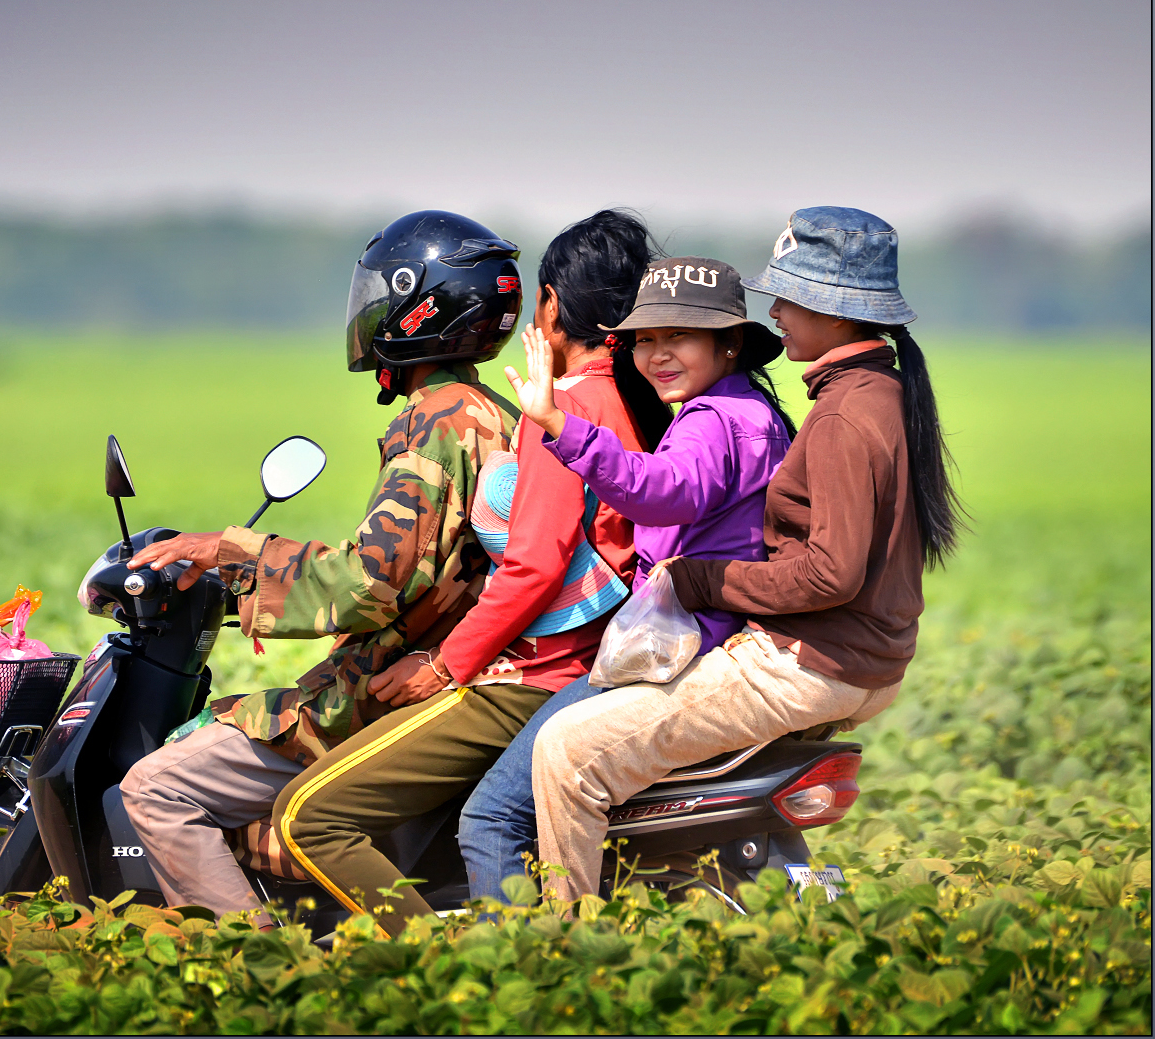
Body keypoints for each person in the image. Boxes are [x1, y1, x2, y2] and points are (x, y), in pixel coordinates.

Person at [530, 207, 963, 904]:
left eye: (790, 298)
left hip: (808, 661)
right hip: (856, 660)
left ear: (835, 308)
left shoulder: (847, 414)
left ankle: (567, 949)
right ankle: (799, 897)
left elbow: (833, 571)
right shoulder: (870, 395)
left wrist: (702, 581)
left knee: (564, 751)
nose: (780, 311)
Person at [117, 210, 521, 924]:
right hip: (438, 671)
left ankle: (247, 968)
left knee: (158, 786)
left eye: (378, 296)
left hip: (388, 689)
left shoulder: (438, 423)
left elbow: (371, 585)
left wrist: (235, 554)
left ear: (415, 307)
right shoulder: (493, 412)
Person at [268, 211, 661, 936]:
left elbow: (535, 564)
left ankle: (453, 978)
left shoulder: (566, 410)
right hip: (593, 662)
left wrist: (446, 664)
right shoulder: (640, 400)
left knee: (308, 816)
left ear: (552, 306)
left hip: (533, 671)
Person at [459, 255, 795, 903]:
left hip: (678, 646)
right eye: (645, 339)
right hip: (716, 635)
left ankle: (531, 974)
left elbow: (662, 491)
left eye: (678, 337)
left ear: (728, 342)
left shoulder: (713, 422)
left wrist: (559, 424)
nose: (657, 355)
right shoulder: (753, 413)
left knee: (493, 817)